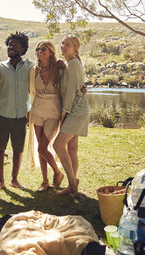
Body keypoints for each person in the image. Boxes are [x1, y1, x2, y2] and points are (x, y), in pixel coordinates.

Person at [0, 32, 34, 192]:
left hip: (20, 117)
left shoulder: (30, 66)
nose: (11, 47)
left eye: (15, 45)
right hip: (2, 115)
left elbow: (43, 75)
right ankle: (1, 182)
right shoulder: (0, 67)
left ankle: (14, 180)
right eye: (9, 44)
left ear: (22, 48)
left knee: (18, 149)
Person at [53, 35, 89, 197]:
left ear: (75, 48)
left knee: (58, 145)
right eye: (63, 43)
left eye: (68, 44)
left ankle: (72, 182)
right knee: (72, 148)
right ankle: (71, 185)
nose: (63, 46)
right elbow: (76, 87)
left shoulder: (73, 64)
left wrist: (64, 112)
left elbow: (70, 93)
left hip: (76, 110)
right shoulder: (69, 64)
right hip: (75, 108)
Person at [28, 41, 65, 192]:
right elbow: (28, 90)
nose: (39, 51)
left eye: (43, 49)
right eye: (37, 49)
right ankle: (45, 181)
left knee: (43, 148)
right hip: (37, 111)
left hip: (53, 112)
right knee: (40, 148)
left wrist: (82, 90)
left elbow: (70, 85)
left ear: (51, 51)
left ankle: (57, 173)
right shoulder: (33, 70)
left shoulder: (59, 68)